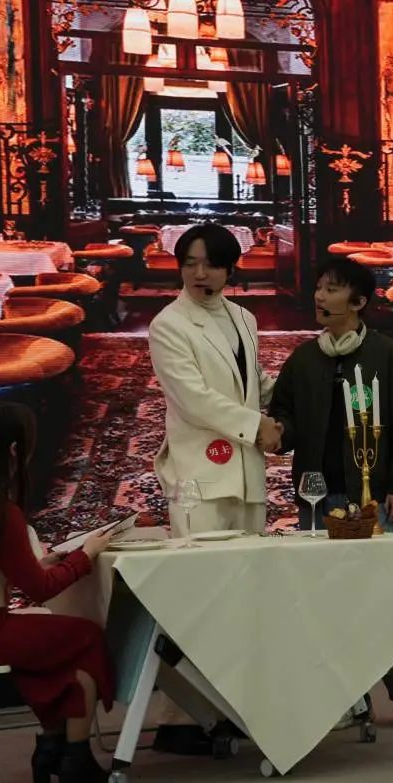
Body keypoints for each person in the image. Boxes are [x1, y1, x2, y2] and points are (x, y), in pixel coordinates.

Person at [268, 256, 393, 724]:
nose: (320, 296)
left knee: (381, 598)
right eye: (319, 287)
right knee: (325, 600)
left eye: (332, 289)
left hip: (368, 497)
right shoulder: (304, 358)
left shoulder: (387, 356)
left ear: (358, 302)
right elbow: (285, 415)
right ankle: (343, 695)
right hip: (317, 496)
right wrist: (277, 432)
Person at [0, 402, 115, 783]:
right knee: (86, 637)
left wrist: (45, 563)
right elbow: (41, 590)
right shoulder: (0, 511)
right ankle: (74, 757)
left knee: (58, 647)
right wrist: (86, 555)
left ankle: (53, 748)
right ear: (15, 449)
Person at [147, 221, 280, 752]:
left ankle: (232, 709)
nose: (200, 274)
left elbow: (255, 385)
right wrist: (256, 426)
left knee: (244, 596)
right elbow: (194, 399)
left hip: (246, 471)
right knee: (198, 598)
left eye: (211, 264)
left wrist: (293, 400)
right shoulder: (168, 325)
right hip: (199, 473)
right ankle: (181, 721)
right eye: (190, 263)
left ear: (230, 269)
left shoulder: (244, 318)